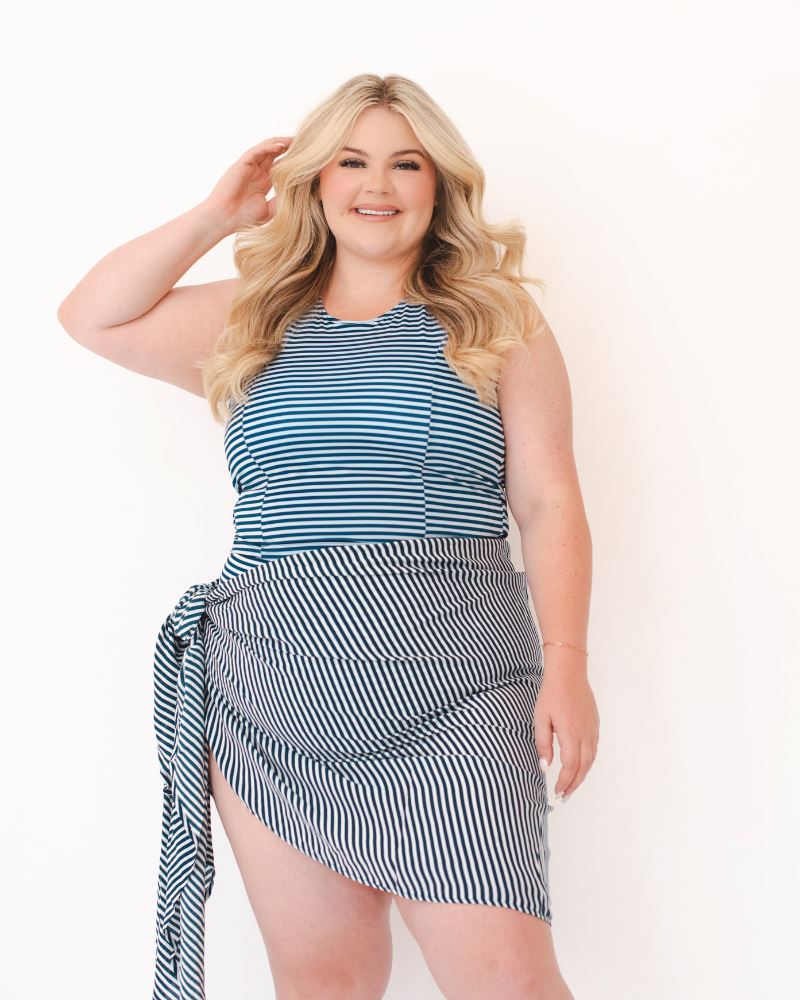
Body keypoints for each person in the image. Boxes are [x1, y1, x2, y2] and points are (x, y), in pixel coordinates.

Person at [58, 73, 598, 1000]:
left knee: (508, 978)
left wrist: (568, 664)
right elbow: (90, 315)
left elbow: (548, 500)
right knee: (324, 981)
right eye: (350, 161)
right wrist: (217, 216)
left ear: (440, 183)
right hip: (277, 689)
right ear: (314, 180)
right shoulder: (252, 319)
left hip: (459, 691)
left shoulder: (495, 318)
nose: (376, 185)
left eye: (405, 163)